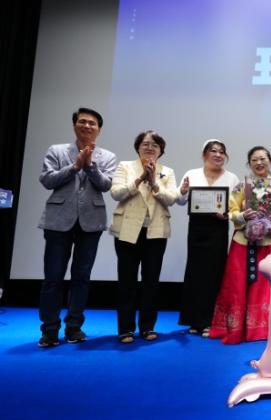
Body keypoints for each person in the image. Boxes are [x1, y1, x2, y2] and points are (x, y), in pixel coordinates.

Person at [37, 107, 117, 347]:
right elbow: (46, 179)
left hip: (90, 222)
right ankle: (49, 330)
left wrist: (90, 165)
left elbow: (106, 185)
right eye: (82, 122)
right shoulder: (57, 150)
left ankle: (74, 327)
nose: (87, 126)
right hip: (58, 220)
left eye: (92, 123)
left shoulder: (107, 156)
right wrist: (74, 167)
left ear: (99, 129)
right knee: (53, 277)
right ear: (75, 125)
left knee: (82, 277)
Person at [209, 146, 271, 344]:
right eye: (254, 160)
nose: (259, 163)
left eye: (263, 159)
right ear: (249, 164)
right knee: (238, 285)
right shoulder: (241, 186)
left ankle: (269, 328)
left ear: (270, 161)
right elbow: (231, 210)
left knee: (270, 286)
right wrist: (243, 216)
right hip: (245, 243)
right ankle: (241, 329)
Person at [110, 130, 178, 343]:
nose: (150, 148)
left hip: (155, 231)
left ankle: (147, 327)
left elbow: (172, 198)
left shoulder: (167, 171)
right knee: (127, 281)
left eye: (155, 145)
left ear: (161, 150)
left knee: (151, 281)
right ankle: (126, 329)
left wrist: (154, 182)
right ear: (138, 147)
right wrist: (140, 179)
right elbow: (116, 193)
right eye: (145, 144)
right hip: (127, 230)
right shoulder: (125, 166)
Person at [176, 139, 240, 337]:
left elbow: (236, 206)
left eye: (222, 152)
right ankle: (194, 320)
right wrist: (183, 191)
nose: (218, 155)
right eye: (213, 151)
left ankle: (210, 321)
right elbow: (180, 200)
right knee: (194, 272)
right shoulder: (192, 174)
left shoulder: (232, 178)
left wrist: (228, 215)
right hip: (196, 228)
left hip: (218, 228)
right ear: (204, 155)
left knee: (215, 273)